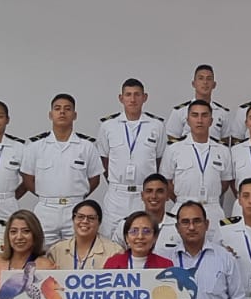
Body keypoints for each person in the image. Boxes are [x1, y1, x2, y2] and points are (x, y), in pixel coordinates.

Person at [22, 93, 103, 242]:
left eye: (67, 109)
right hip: (46, 209)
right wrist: (46, 195)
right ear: (50, 114)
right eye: (57, 108)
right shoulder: (35, 146)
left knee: (77, 253)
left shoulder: (87, 146)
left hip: (76, 209)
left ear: (75, 115)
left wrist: (78, 195)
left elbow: (95, 179)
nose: (62, 112)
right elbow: (27, 178)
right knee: (43, 254)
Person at [96, 79, 166, 238]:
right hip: (117, 195)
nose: (132, 99)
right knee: (111, 240)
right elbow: (104, 160)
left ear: (145, 97)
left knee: (144, 237)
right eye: (128, 95)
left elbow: (159, 159)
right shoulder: (108, 126)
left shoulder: (156, 125)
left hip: (144, 194)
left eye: (137, 95)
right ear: (121, 98)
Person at [160, 100, 234, 224]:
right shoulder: (174, 148)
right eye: (195, 115)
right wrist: (182, 199)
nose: (200, 120)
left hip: (212, 209)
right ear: (188, 120)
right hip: (183, 207)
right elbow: (166, 181)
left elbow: (225, 182)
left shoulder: (223, 150)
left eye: (204, 115)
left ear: (211, 121)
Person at [164, 64, 231, 142]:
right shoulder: (179, 112)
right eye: (201, 78)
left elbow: (224, 143)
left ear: (214, 85)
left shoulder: (223, 113)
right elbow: (171, 141)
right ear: (193, 83)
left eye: (209, 79)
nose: (205, 82)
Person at [117, 173, 181, 247]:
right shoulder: (126, 224)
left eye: (159, 191)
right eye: (149, 191)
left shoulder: (178, 225)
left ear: (167, 196)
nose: (154, 196)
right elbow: (116, 253)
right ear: (142, 196)